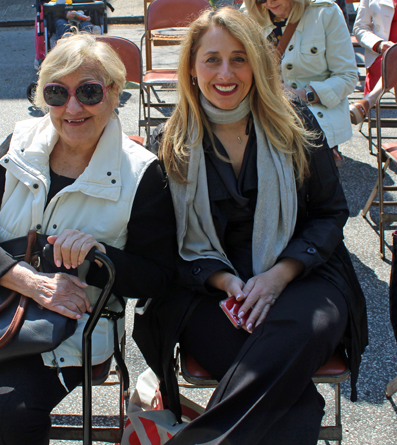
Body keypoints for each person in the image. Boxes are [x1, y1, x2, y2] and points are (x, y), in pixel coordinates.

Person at [0, 33, 177, 445]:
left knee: (3, 417)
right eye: (56, 93)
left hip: (69, 323)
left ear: (116, 93)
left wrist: (98, 258)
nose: (72, 107)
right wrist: (32, 282)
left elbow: (158, 277)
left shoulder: (143, 174)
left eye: (89, 91)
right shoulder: (18, 144)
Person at [133, 7, 368, 444]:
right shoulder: (170, 141)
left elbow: (330, 214)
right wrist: (224, 282)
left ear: (258, 64)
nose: (227, 72)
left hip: (302, 271)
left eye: (239, 58)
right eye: (213, 59)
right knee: (298, 403)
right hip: (207, 285)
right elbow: (162, 248)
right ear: (191, 67)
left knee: (300, 330)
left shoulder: (296, 123)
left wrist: (278, 277)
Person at [243, 0, 358, 166]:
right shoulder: (248, 16)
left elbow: (347, 76)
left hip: (313, 123)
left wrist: (304, 95)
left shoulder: (325, 13)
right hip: (263, 121)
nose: (268, 3)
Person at [350, 0, 397, 124]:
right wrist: (378, 44)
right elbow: (359, 28)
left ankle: (368, 101)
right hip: (382, 55)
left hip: (389, 63)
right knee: (393, 58)